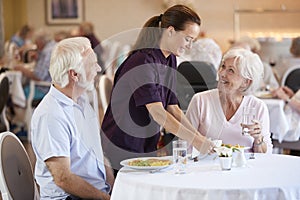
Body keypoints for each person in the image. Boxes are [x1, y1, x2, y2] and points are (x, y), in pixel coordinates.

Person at [101, 5, 214, 174]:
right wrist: (196, 142)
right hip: (123, 146)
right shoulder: (142, 62)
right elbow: (158, 113)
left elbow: (173, 108)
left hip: (146, 145)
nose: (189, 46)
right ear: (170, 31)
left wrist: (199, 138)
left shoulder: (170, 59)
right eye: (188, 39)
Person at [31, 37, 111, 199]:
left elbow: (96, 153)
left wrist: (113, 187)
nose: (98, 68)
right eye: (92, 64)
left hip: (95, 191)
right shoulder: (51, 115)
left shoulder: (81, 101)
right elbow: (63, 179)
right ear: (74, 74)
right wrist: (106, 198)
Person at [186, 48, 273, 153]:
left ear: (246, 82)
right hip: (207, 167)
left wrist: (258, 138)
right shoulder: (200, 101)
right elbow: (185, 144)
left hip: (244, 168)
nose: (222, 73)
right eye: (223, 66)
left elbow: (266, 156)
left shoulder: (258, 107)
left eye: (231, 70)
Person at [14, 28, 56, 100]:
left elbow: (38, 76)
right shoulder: (53, 45)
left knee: (17, 93)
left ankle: (24, 110)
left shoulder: (46, 52)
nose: (35, 44)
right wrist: (38, 56)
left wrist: (22, 69)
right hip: (55, 87)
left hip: (45, 89)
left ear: (41, 41)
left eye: (36, 41)